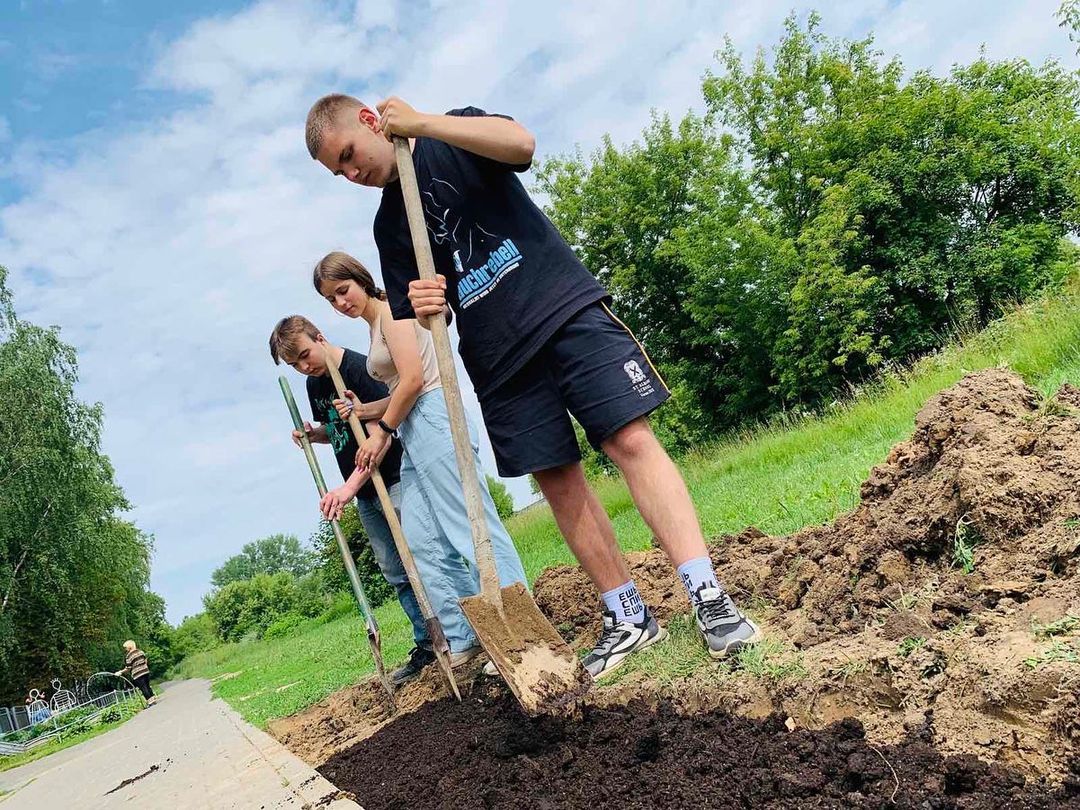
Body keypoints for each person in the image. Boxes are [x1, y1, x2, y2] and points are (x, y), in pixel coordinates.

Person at [303, 95, 763, 679]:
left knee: (628, 442)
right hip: (496, 355)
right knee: (559, 481)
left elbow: (521, 144)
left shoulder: (455, 130)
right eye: (336, 172)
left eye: (348, 155)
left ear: (371, 121)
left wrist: (420, 124)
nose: (350, 174)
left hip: (561, 308)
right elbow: (420, 314)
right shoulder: (389, 224)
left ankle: (708, 596)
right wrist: (424, 307)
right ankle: (628, 615)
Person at [312, 251, 528, 668]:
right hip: (413, 427)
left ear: (360, 278)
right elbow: (398, 391)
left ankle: (519, 625)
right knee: (423, 540)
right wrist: (363, 411)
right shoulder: (376, 325)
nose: (341, 303)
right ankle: (465, 633)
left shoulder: (392, 312)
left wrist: (383, 432)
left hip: (432, 417)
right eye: (331, 300)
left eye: (343, 291)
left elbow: (414, 381)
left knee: (470, 524)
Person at [270, 316, 434, 685]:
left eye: (305, 355)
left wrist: (346, 489)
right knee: (394, 571)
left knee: (421, 560)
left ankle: (454, 634)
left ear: (320, 337)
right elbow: (341, 430)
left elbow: (381, 437)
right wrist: (316, 434)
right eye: (294, 364)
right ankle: (426, 643)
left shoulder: (361, 369)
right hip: (363, 493)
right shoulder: (316, 385)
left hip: (393, 480)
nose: (304, 366)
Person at [115, 640, 155, 705]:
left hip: (137, 674)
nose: (125, 649)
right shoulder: (141, 652)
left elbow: (128, 668)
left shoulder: (129, 656)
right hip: (145, 671)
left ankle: (150, 701)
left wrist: (120, 672)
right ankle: (153, 699)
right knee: (147, 686)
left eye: (125, 647)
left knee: (143, 688)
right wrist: (144, 666)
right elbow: (145, 660)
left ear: (129, 647)